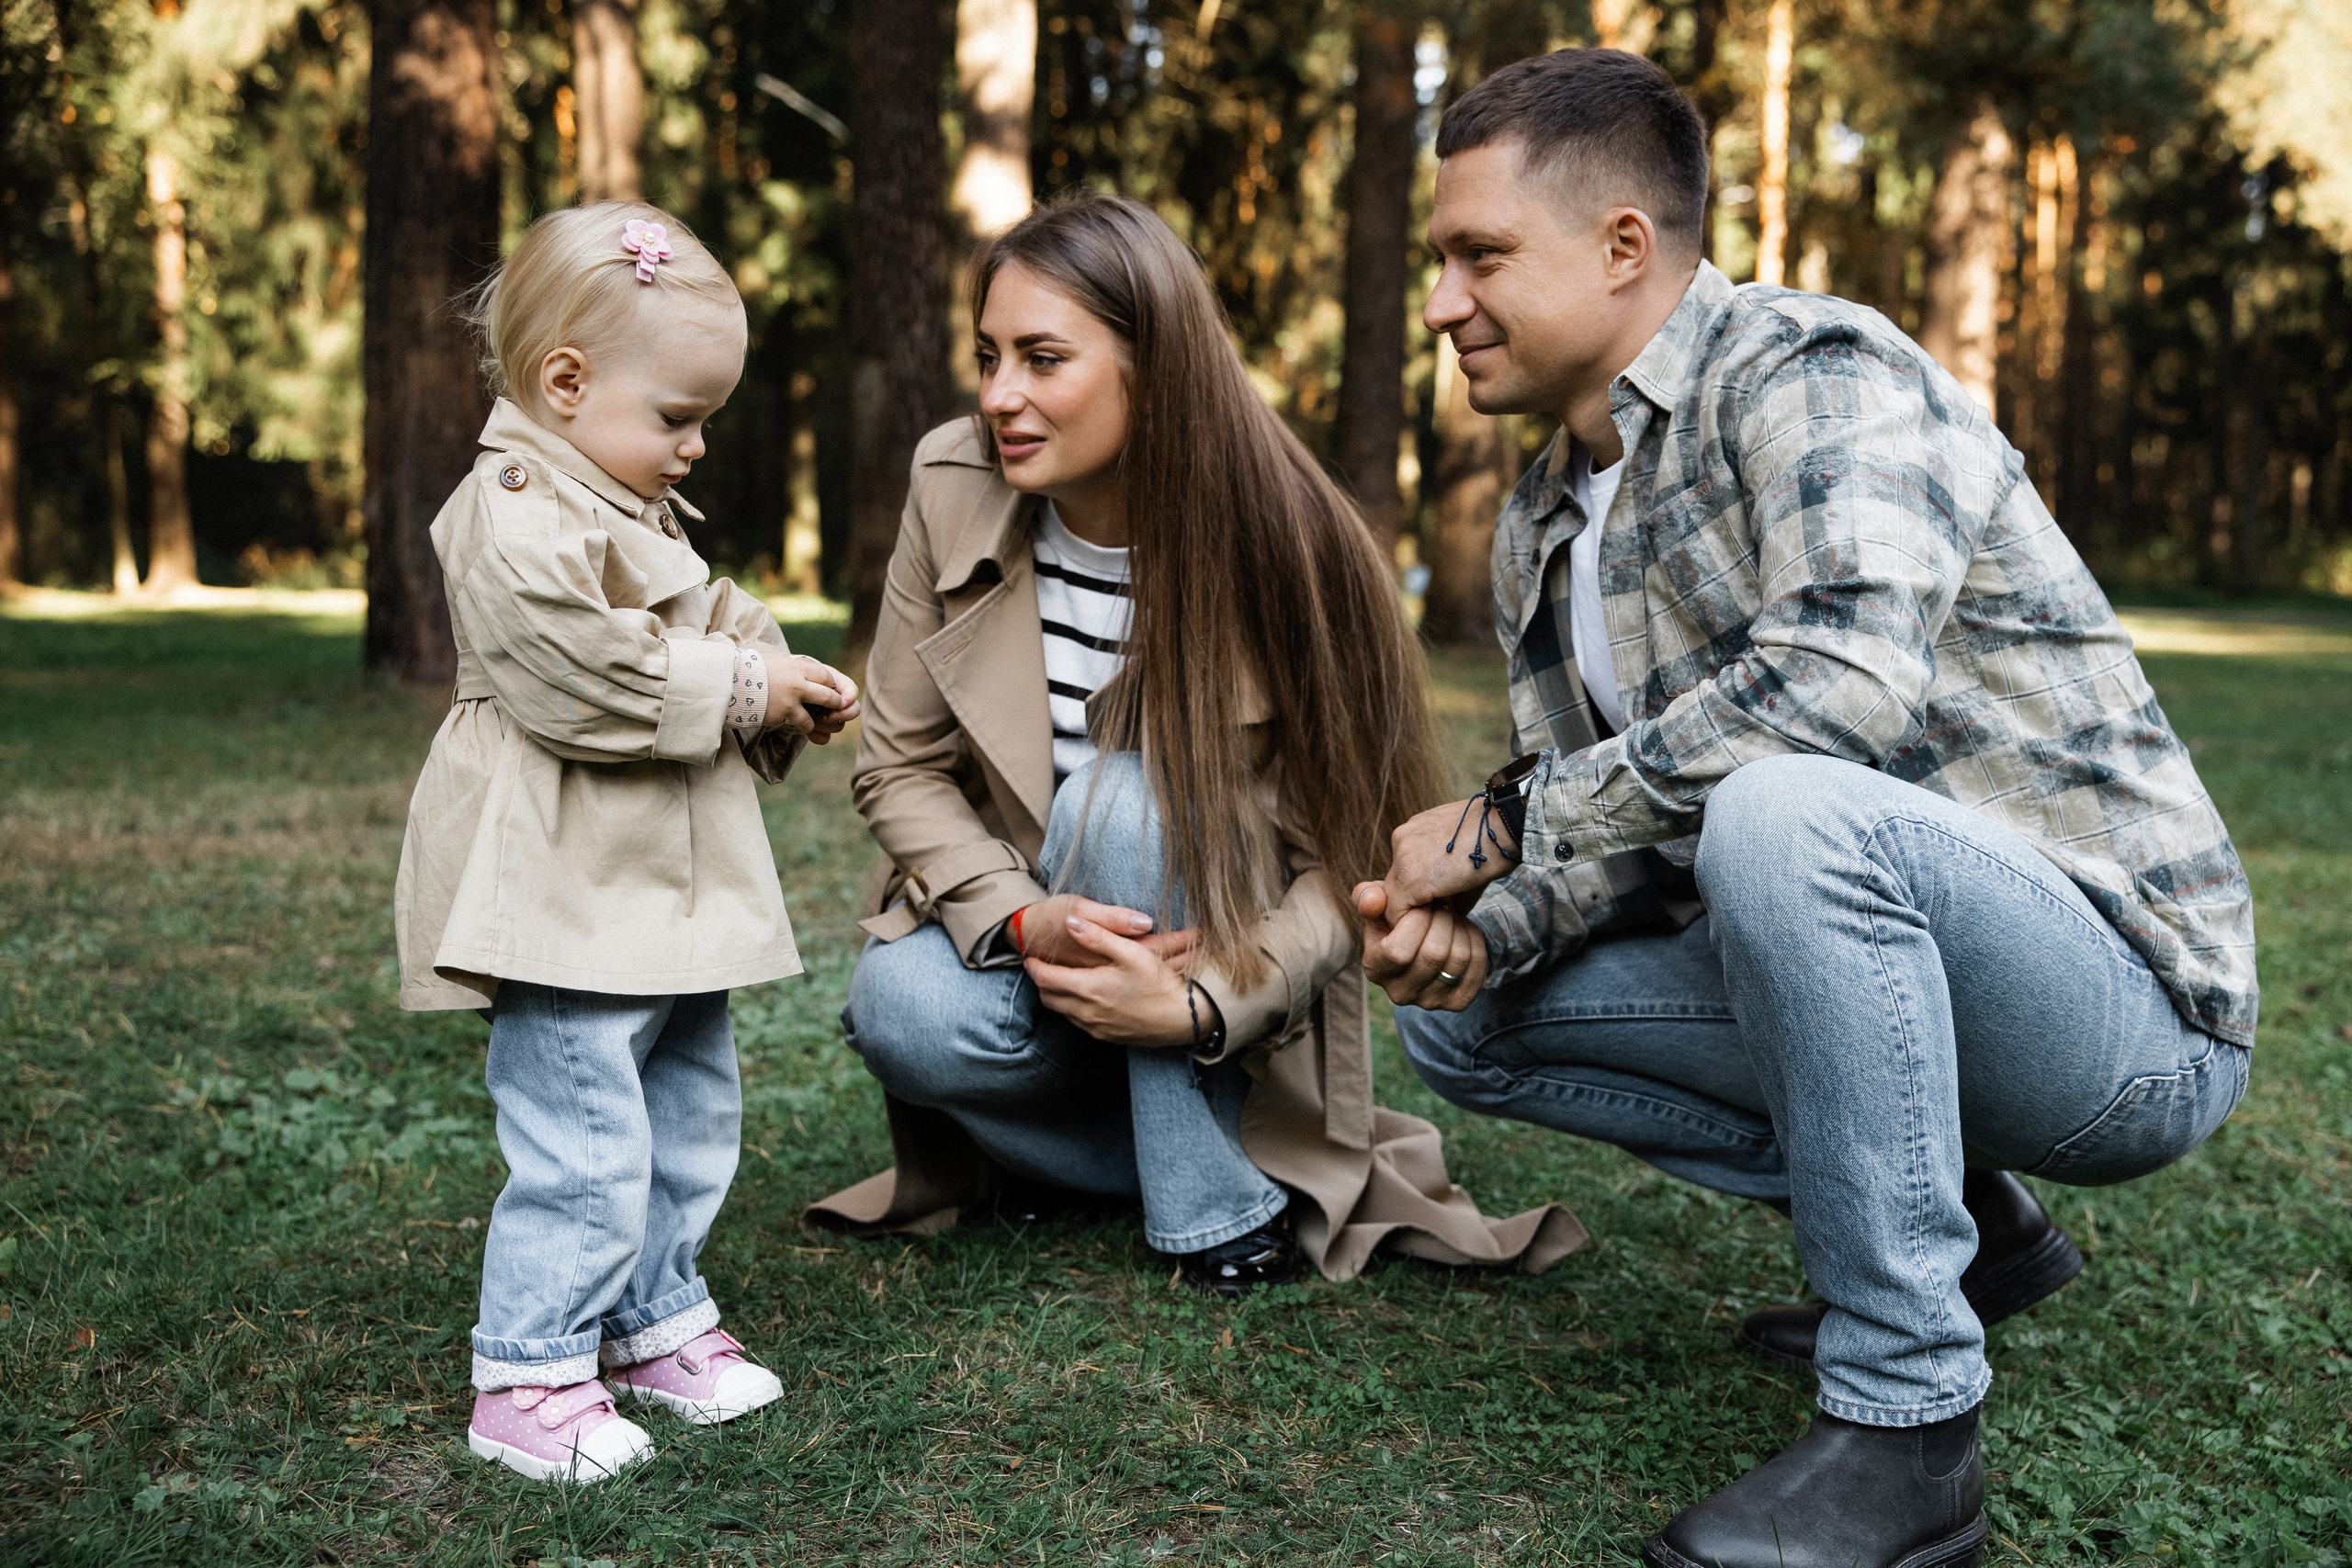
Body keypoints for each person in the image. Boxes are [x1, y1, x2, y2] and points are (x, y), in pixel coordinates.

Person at [1356, 50, 2255, 1568]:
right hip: (1897, 970)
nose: (1442, 303)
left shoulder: (1814, 374)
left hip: (2127, 1014)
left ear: (1623, 245)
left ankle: (1908, 1425)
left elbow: (1837, 690)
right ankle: (1978, 1222)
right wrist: (1483, 918)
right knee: (1468, 1013)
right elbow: (1626, 845)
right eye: (1443, 260)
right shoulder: (1540, 525)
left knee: (1787, 812)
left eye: (1479, 255)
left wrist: (1509, 818)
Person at [807, 195, 1586, 1292]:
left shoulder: (1298, 539)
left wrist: (1208, 1000)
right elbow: (897, 766)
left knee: (1118, 802)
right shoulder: (951, 482)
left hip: (1224, 974)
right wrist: (1022, 914)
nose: (998, 398)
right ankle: (1126, 1158)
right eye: (987, 356)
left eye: (1042, 358)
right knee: (898, 1005)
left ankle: (1209, 1203)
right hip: (1037, 956)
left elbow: (1353, 857)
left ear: (1154, 366)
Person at [393, 202, 863, 1483]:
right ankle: (531, 1366)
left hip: (657, 883)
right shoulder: (514, 507)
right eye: (678, 416)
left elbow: (700, 610)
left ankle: (653, 1316)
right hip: (559, 876)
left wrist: (768, 657)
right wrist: (739, 688)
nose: (697, 443)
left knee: (687, 1100)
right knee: (587, 1120)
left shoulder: (627, 502)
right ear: (566, 382)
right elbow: (578, 672)